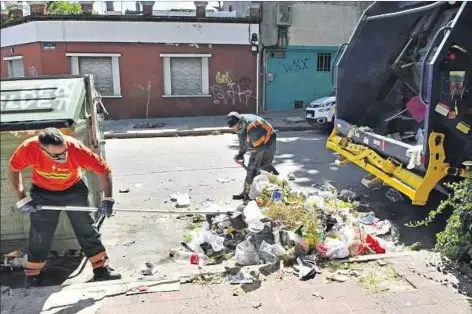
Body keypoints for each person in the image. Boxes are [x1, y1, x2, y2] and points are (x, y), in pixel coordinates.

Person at [7, 127, 121, 288]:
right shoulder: (29, 148)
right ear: (42, 149)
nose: (63, 156)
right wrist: (21, 198)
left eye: (64, 152)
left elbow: (104, 170)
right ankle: (32, 276)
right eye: (56, 155)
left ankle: (101, 269)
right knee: (40, 234)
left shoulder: (75, 148)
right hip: (43, 192)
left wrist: (108, 199)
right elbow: (13, 169)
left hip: (73, 190)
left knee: (86, 229)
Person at [226, 112, 279, 201]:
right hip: (258, 144)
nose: (235, 128)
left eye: (236, 126)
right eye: (233, 128)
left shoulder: (252, 128)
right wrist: (241, 153)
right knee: (251, 170)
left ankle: (273, 189)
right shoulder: (239, 126)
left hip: (268, 141)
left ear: (240, 122)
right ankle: (246, 193)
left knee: (261, 168)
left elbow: (260, 150)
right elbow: (243, 141)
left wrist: (257, 165)